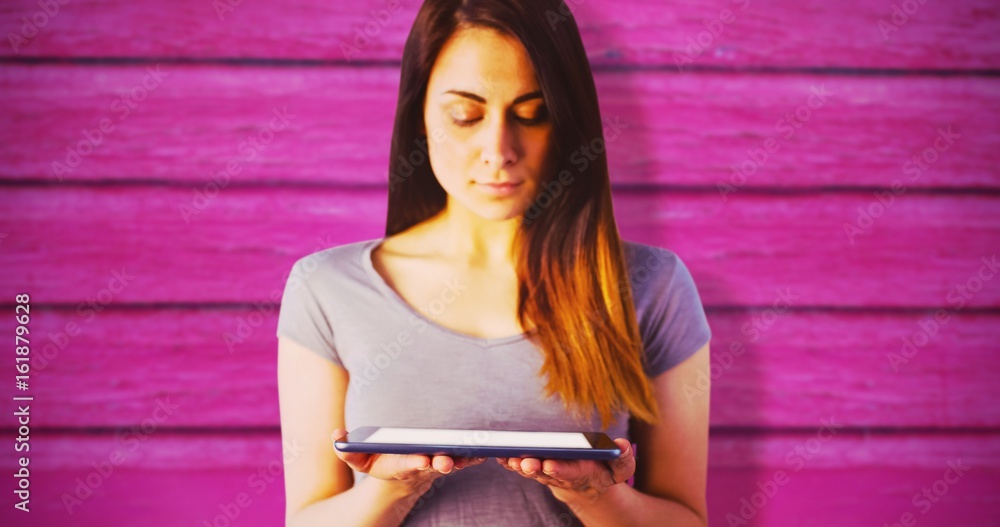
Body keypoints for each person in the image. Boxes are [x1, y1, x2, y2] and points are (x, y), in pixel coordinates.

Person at [276, 1, 712, 525]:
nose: (498, 149)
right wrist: (390, 491)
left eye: (532, 114)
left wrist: (597, 497)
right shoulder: (326, 288)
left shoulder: (652, 286)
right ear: (419, 116)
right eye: (465, 115)